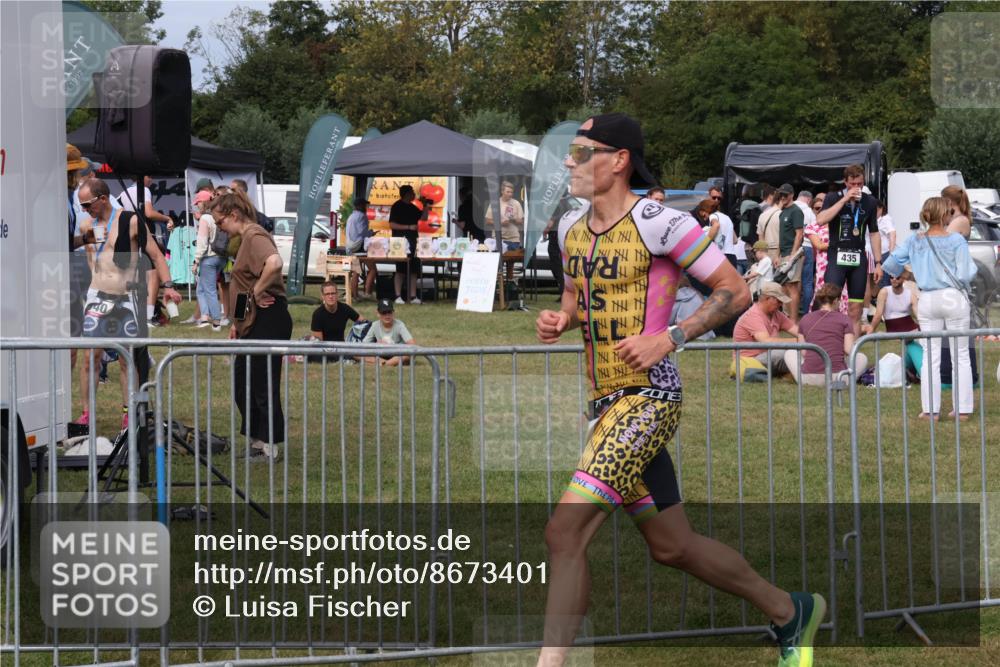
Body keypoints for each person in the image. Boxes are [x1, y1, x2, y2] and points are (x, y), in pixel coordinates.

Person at [535, 112, 824, 667]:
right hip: (605, 406)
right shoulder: (572, 231)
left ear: (618, 160)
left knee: (563, 531)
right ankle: (791, 611)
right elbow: (577, 307)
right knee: (673, 546)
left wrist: (671, 337)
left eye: (580, 152)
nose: (569, 164)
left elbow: (734, 290)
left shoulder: (661, 223)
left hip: (649, 400)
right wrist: (560, 322)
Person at [73, 178, 182, 429]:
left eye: (88, 204)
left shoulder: (131, 220)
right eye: (81, 205)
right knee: (91, 357)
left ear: (102, 199)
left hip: (126, 298)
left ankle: (128, 410)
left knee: (126, 358)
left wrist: (168, 287)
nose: (85, 209)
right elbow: (82, 248)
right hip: (97, 296)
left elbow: (156, 255)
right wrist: (83, 239)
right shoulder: (88, 224)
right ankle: (87, 413)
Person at [212, 190, 293, 461]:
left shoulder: (255, 235)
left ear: (234, 215)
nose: (220, 229)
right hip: (252, 320)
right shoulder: (244, 239)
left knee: (261, 383)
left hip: (269, 318)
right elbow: (242, 286)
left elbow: (275, 263)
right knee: (243, 383)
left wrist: (258, 291)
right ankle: (258, 442)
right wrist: (237, 323)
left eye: (220, 222)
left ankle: (270, 447)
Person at [883, 196, 977, 420]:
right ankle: (962, 409)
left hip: (927, 298)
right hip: (953, 297)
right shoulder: (956, 240)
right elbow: (966, 273)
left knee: (930, 356)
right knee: (960, 354)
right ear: (946, 215)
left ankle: (930, 410)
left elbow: (891, 263)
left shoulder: (915, 241)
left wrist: (910, 274)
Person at [815, 164, 883, 336]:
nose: (856, 188)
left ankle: (851, 350)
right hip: (837, 255)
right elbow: (821, 220)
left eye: (859, 184)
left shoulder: (870, 202)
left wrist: (878, 262)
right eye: (852, 184)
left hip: (858, 257)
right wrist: (845, 200)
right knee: (830, 303)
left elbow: (874, 233)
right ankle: (831, 342)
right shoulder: (832, 197)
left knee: (856, 308)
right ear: (845, 182)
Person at [783, 283, 868, 386]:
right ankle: (848, 378)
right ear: (836, 300)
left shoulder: (805, 319)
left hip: (808, 379)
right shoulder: (845, 319)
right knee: (861, 357)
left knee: (790, 353)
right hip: (838, 378)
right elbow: (848, 349)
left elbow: (804, 352)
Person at [118, 175, 174, 327]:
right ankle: (149, 317)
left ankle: (135, 315)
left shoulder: (123, 193)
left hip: (128, 236)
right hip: (143, 234)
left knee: (134, 275)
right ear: (143, 177)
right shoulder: (144, 190)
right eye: (150, 176)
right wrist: (166, 218)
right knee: (153, 273)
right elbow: (149, 213)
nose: (152, 180)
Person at [732, 281, 803, 376]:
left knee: (790, 353)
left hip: (766, 358)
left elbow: (799, 332)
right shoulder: (753, 316)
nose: (781, 304)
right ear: (768, 298)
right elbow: (767, 342)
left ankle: (804, 370)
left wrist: (813, 337)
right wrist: (799, 342)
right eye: (778, 301)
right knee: (785, 354)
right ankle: (806, 371)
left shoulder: (777, 314)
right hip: (749, 362)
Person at [863, 270, 923, 379]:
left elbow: (918, 314)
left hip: (911, 330)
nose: (894, 279)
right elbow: (878, 314)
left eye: (897, 277)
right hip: (894, 331)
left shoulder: (910, 293)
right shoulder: (884, 291)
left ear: (903, 279)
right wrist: (871, 329)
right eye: (891, 277)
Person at [804, 193, 849, 314]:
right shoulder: (812, 227)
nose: (820, 210)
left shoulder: (841, 224)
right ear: (813, 210)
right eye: (816, 208)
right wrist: (837, 244)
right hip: (823, 265)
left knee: (842, 293)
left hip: (841, 263)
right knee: (822, 293)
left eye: (823, 207)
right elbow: (818, 245)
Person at [191, 190, 223, 331]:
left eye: (198, 203)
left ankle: (216, 321)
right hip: (221, 257)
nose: (197, 206)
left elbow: (202, 242)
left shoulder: (205, 219)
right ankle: (204, 317)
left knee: (209, 290)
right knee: (201, 289)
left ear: (203, 203)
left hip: (208, 258)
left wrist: (196, 261)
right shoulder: (218, 215)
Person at [389, 185, 425, 304]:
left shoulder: (413, 207)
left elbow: (424, 217)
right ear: (406, 194)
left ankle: (413, 296)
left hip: (413, 241)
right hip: (400, 243)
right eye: (412, 192)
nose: (414, 194)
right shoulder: (397, 206)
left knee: (414, 269)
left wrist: (425, 205)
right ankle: (397, 296)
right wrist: (409, 227)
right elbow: (392, 225)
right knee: (400, 269)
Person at [776, 184, 805, 321]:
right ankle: (788, 319)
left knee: (792, 287)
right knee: (785, 286)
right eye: (781, 194)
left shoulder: (796, 211)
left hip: (792, 254)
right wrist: (778, 255)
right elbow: (781, 235)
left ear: (792, 195)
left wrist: (793, 255)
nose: (782, 197)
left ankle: (793, 321)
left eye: (785, 195)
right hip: (784, 253)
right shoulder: (783, 212)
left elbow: (799, 234)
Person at [363, 298, 416, 366]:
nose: (387, 316)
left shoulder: (399, 325)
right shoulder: (375, 325)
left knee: (406, 356)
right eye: (384, 313)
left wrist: (392, 347)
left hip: (397, 354)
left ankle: (384, 364)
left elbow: (413, 345)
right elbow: (364, 345)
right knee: (356, 354)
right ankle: (389, 363)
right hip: (381, 354)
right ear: (378, 313)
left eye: (389, 312)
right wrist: (376, 344)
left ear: (393, 313)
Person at [793, 190, 816, 317]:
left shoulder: (789, 208)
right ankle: (807, 312)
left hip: (792, 248)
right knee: (807, 282)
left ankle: (791, 312)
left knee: (791, 282)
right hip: (807, 246)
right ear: (808, 199)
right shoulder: (809, 212)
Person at [484, 180, 525, 250]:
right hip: (497, 239)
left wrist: (513, 219)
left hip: (513, 240)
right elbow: (487, 221)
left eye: (511, 192)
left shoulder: (516, 203)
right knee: (498, 260)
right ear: (502, 191)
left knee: (511, 259)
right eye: (508, 192)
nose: (510, 194)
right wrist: (500, 223)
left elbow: (521, 221)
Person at [708, 186, 738, 268]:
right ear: (708, 197)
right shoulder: (727, 218)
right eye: (714, 197)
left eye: (719, 198)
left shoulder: (712, 216)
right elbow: (735, 240)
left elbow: (716, 225)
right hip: (731, 256)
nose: (716, 200)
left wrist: (705, 243)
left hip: (719, 256)